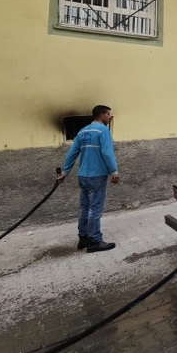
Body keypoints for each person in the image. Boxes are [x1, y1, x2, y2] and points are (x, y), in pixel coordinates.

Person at [58, 105, 120, 252]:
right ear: (101, 115)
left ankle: (83, 238)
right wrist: (114, 171)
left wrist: (64, 172)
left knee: (85, 208)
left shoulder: (83, 131)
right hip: (96, 175)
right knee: (95, 209)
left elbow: (72, 153)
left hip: (83, 176)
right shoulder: (103, 130)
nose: (110, 117)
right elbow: (107, 152)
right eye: (108, 114)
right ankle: (95, 241)